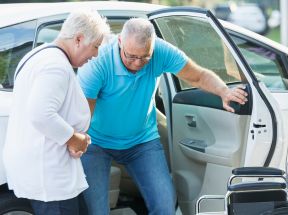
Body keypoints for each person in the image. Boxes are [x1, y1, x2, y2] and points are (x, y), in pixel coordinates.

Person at [77, 18, 248, 215]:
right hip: (96, 142)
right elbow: (83, 113)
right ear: (120, 42)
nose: (137, 63)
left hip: (141, 141)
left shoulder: (161, 51)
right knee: (96, 211)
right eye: (131, 56)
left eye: (145, 57)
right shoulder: (98, 63)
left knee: (165, 204)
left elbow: (198, 76)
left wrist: (223, 91)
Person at [2, 11, 110, 215]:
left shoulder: (37, 56)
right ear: (78, 39)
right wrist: (74, 138)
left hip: (42, 168)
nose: (95, 54)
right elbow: (41, 114)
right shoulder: (56, 66)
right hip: (50, 176)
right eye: (95, 46)